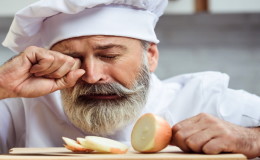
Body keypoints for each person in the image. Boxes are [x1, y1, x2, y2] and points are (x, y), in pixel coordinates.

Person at [0, 0, 259, 158]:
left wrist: (249, 139)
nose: (92, 76)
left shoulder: (203, 98)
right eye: (74, 60)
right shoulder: (20, 108)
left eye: (109, 56)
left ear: (151, 56)